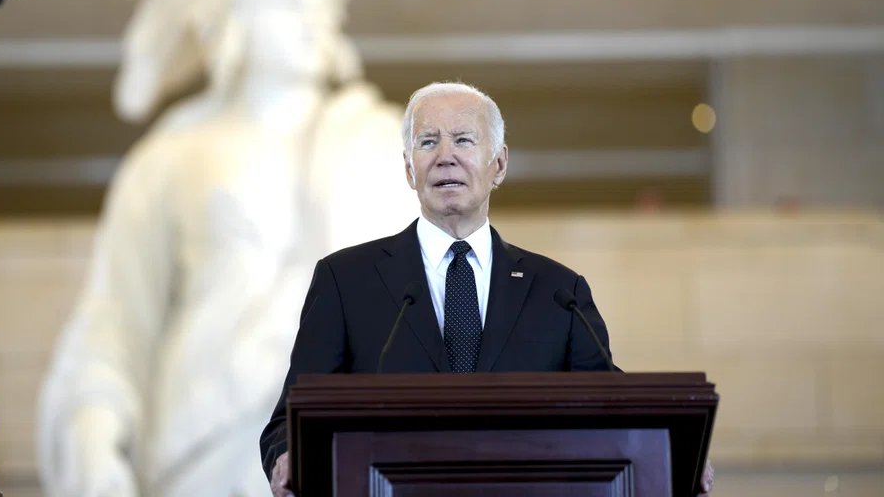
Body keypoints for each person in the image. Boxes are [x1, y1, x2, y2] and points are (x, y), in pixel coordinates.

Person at [36, 0, 418, 497]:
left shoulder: (381, 146)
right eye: (287, 3)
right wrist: (92, 425)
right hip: (199, 437)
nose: (310, 20)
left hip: (338, 439)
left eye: (320, 4)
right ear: (233, 19)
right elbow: (116, 318)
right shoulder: (173, 155)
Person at [260, 81, 714, 497]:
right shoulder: (346, 280)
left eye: (463, 140)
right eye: (427, 142)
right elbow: (288, 420)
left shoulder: (558, 291)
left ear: (498, 164)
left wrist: (675, 450)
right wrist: (287, 457)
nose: (444, 156)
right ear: (408, 169)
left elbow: (612, 410)